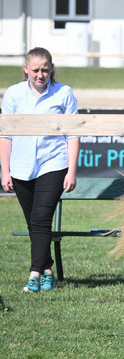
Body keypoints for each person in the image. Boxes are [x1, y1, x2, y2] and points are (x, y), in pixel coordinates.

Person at [1, 48, 79, 293]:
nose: (40, 74)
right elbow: (5, 135)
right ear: (26, 69)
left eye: (45, 69)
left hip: (53, 164)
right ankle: (48, 271)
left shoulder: (64, 93)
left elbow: (73, 134)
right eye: (35, 70)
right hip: (21, 167)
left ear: (51, 68)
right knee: (34, 223)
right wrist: (5, 170)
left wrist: (71, 171)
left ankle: (34, 275)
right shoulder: (13, 94)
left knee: (41, 219)